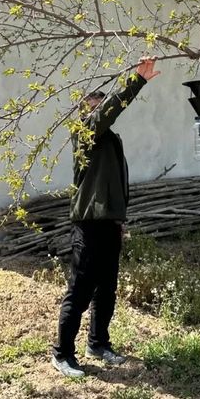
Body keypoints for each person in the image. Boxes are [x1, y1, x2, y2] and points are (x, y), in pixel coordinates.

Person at [51, 56, 161, 377]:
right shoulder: (84, 131)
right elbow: (107, 113)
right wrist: (135, 82)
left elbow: (116, 181)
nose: (99, 106)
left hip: (110, 223)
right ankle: (62, 353)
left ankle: (98, 343)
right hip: (88, 223)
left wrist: (120, 218)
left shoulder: (110, 138)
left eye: (101, 100)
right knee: (80, 288)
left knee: (107, 288)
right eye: (94, 103)